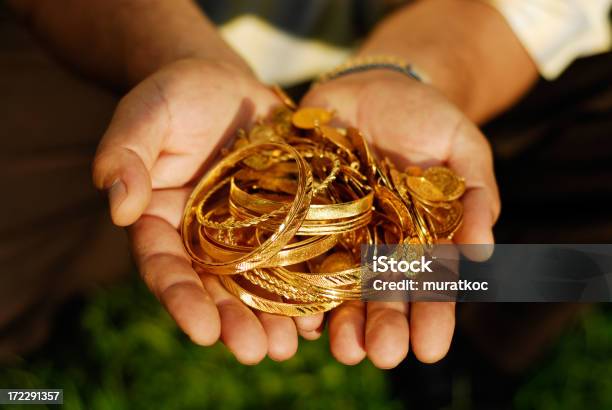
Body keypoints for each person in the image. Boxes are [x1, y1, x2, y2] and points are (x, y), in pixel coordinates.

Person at [1, 0, 610, 370]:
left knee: (558, 246)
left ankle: (492, 355)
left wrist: (409, 73)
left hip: (449, 41)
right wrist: (172, 53)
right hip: (134, 33)